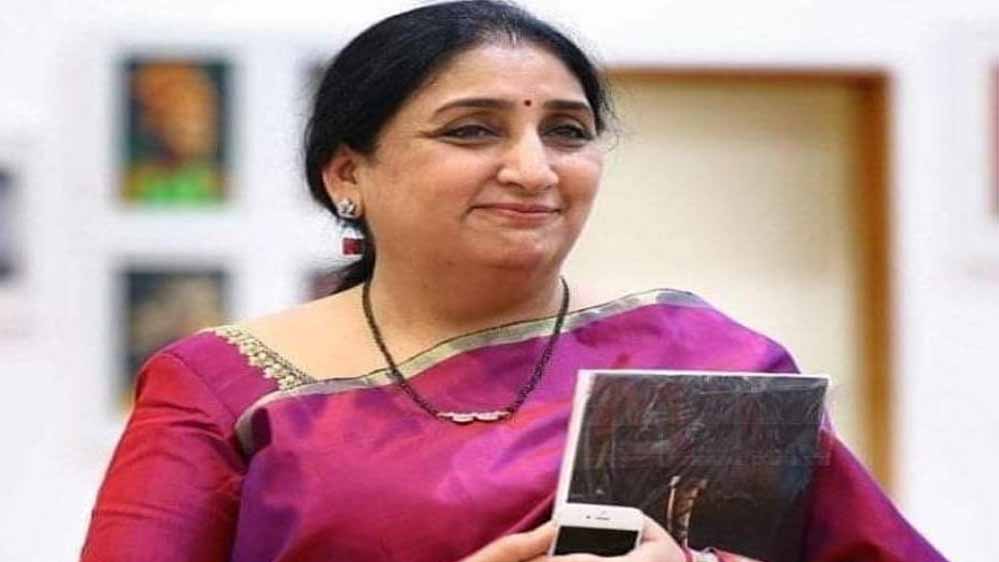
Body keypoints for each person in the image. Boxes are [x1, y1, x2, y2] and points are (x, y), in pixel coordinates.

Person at [80, 2, 948, 561]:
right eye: (471, 131)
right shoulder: (225, 387)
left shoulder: (700, 360)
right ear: (347, 173)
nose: (533, 169)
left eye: (566, 132)